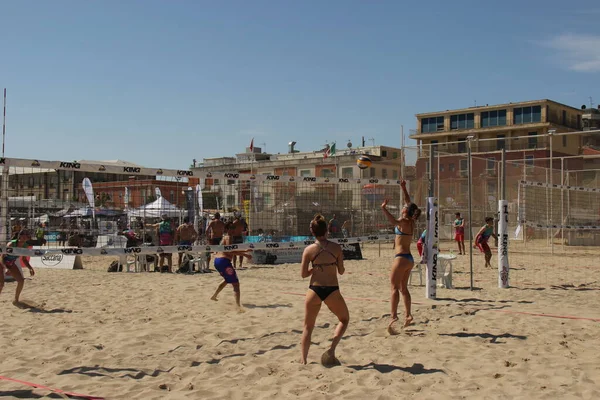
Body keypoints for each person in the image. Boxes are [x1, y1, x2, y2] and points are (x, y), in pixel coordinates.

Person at [300, 214, 348, 366]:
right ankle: (331, 349)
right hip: (332, 290)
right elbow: (341, 271)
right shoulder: (336, 247)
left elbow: (303, 274)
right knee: (344, 320)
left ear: (312, 232)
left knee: (308, 327)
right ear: (327, 230)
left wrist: (314, 269)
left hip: (314, 289)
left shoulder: (308, 250)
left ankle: (304, 359)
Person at [380, 180, 422, 333]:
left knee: (393, 288)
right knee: (403, 288)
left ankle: (393, 316)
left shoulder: (403, 221)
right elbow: (408, 201)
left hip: (401, 258)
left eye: (404, 208)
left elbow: (393, 221)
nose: (403, 207)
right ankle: (409, 314)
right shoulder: (411, 221)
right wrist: (404, 188)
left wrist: (384, 209)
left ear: (406, 212)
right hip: (409, 259)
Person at [210, 225, 252, 309]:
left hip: (217, 261)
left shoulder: (226, 237)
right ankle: (238, 306)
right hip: (223, 261)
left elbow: (230, 250)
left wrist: (244, 251)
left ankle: (214, 296)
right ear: (227, 229)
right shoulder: (228, 237)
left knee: (227, 279)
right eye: (231, 229)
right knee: (236, 284)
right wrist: (245, 254)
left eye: (234, 229)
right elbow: (230, 251)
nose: (233, 231)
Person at [0, 230, 36, 305]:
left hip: (10, 263)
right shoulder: (11, 244)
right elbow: (2, 257)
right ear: (20, 236)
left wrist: (30, 268)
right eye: (24, 235)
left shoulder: (25, 246)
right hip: (1, 262)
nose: (25, 237)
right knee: (1, 284)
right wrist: (6, 267)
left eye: (27, 235)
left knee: (21, 281)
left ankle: (16, 300)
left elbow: (24, 259)